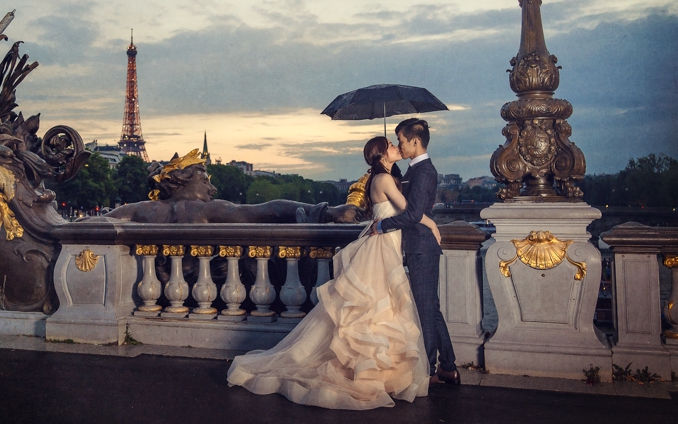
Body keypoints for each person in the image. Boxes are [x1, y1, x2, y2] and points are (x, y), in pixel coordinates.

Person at [226, 136, 440, 409]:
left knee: (371, 311)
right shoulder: (383, 180)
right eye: (391, 144)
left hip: (383, 246)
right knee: (376, 310)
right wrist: (432, 225)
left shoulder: (382, 178)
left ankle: (370, 371)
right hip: (382, 249)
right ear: (382, 154)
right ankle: (373, 373)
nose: (397, 147)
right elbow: (410, 211)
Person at [378, 118, 460, 386]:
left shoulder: (424, 171)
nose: (399, 145)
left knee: (425, 311)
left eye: (401, 140)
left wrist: (382, 225)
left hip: (422, 248)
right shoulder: (414, 170)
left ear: (415, 141)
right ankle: (447, 367)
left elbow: (413, 214)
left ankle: (428, 373)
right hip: (419, 247)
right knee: (431, 309)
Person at [105, 149, 361, 224]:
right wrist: (330, 211)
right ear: (184, 180)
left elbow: (99, 224)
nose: (212, 188)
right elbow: (269, 209)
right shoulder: (204, 210)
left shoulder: (142, 210)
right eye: (205, 179)